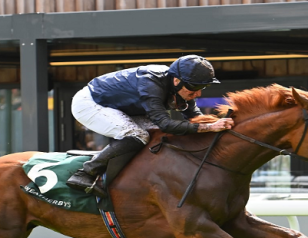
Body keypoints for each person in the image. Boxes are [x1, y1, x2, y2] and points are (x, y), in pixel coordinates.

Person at [66, 54, 234, 197]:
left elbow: (194, 118)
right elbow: (166, 123)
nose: (198, 93)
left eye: (203, 87)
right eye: (195, 87)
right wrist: (209, 127)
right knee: (138, 135)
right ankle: (85, 174)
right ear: (176, 81)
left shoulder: (182, 86)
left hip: (120, 107)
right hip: (90, 103)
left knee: (157, 136)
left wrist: (216, 125)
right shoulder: (151, 82)